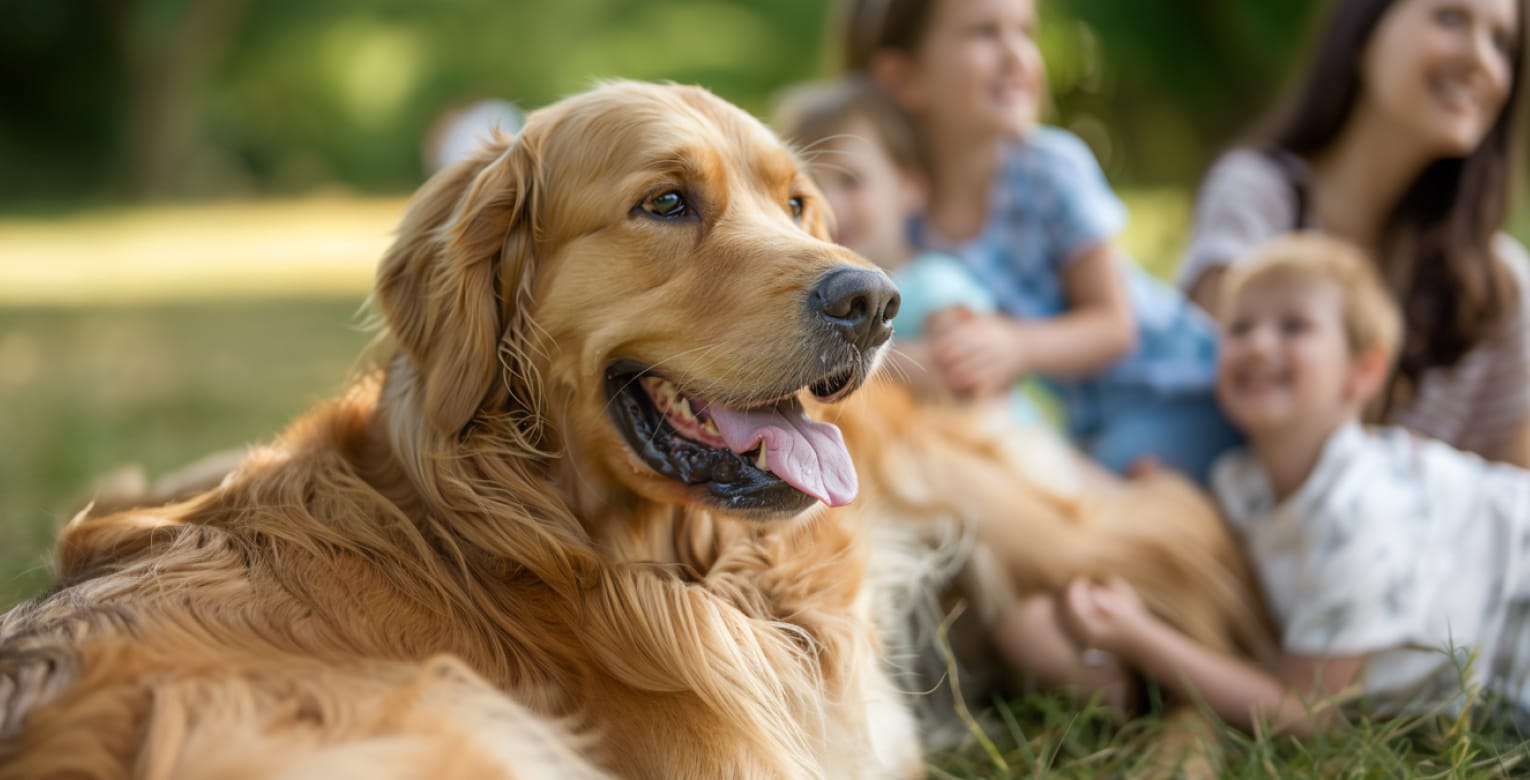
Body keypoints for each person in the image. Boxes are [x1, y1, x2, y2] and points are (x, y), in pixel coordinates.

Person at [1061, 233, 1530, 736]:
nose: (1260, 344)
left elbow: (1306, 713)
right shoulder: (1240, 481)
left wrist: (1140, 638)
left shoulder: (1361, 517)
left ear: (1362, 372)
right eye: (1239, 327)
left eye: (1294, 326)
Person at [837, 0, 1239, 483]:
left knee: (1082, 500)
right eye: (985, 33)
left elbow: (1115, 326)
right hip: (1083, 426)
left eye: (1024, 32)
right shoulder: (908, 217)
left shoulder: (1048, 171)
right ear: (904, 79)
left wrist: (1016, 346)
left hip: (1177, 393)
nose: (1017, 56)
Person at [1179, 0, 1530, 466]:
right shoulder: (1260, 199)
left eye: (1502, 43)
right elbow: (1222, 407)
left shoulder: (1500, 290)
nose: (1481, 60)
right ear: (1363, 31)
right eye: (1449, 18)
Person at [773, 76, 1048, 426]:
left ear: (909, 189)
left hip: (1004, 451)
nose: (829, 205)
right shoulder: (814, 291)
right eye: (807, 191)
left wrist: (837, 354)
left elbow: (961, 375)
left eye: (850, 181)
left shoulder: (931, 280)